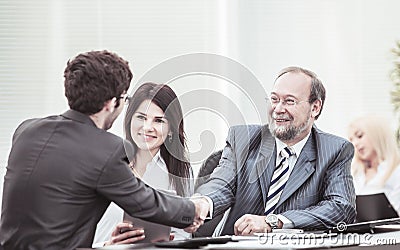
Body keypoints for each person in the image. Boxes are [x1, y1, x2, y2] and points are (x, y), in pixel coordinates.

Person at [0, 50, 207, 250]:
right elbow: (144, 203)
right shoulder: (106, 149)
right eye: (124, 99)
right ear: (111, 103)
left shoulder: (26, 131)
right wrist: (193, 209)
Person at [195, 66, 356, 236]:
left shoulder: (335, 150)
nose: (278, 109)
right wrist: (203, 203)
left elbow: (341, 208)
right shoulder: (243, 139)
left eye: (289, 101)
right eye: (274, 99)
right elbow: (221, 184)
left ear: (315, 108)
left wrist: (275, 221)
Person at [93, 82, 194, 246]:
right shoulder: (104, 163)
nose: (147, 127)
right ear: (130, 119)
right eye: (141, 117)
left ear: (171, 129)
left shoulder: (178, 174)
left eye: (159, 120)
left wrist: (167, 243)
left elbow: (185, 235)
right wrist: (107, 246)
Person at [347, 114, 400, 215]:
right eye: (351, 140)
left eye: (359, 136)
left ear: (377, 135)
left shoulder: (396, 171)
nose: (355, 143)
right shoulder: (354, 174)